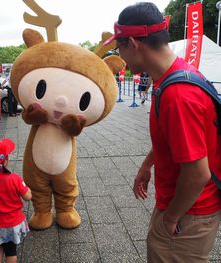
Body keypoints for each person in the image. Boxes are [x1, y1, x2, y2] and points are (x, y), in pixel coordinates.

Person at [105, 2, 221, 262]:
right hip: (183, 208)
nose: (120, 55)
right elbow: (173, 139)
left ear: (133, 44)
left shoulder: (179, 95)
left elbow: (198, 174)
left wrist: (170, 219)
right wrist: (147, 165)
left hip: (188, 215)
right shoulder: (175, 74)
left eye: (119, 47)